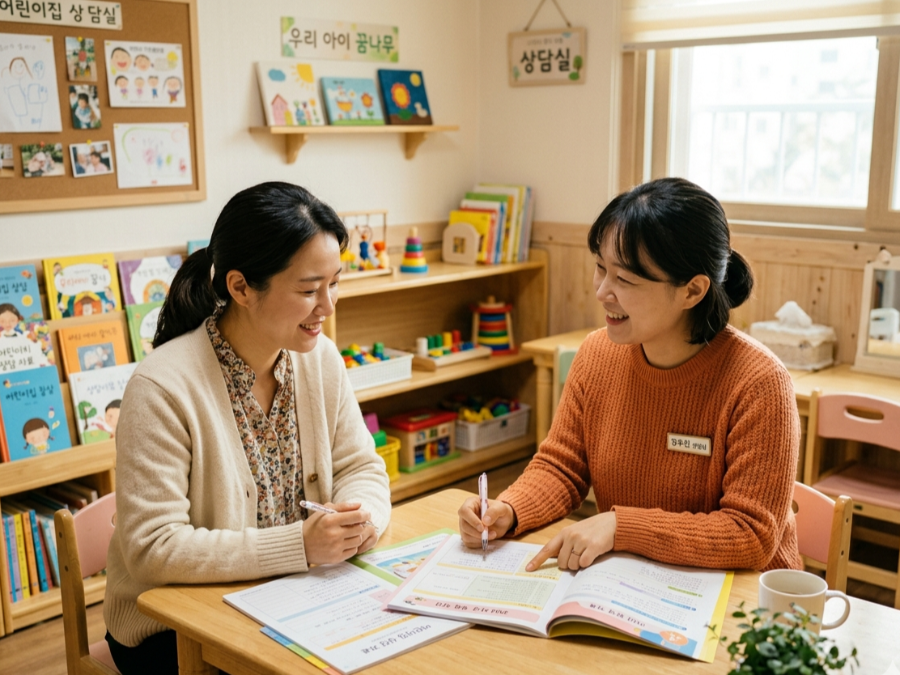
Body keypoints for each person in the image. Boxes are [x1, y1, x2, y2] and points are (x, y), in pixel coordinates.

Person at [104, 182, 392, 675]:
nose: (328, 306)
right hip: (171, 627)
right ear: (240, 288)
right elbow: (154, 549)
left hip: (289, 597)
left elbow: (361, 466)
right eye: (308, 290)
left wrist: (361, 518)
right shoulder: (161, 386)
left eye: (335, 283)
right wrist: (300, 546)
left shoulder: (319, 358)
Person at [459, 177, 801, 575]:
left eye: (625, 280)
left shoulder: (759, 383)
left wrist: (622, 526)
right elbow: (562, 467)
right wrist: (509, 509)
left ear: (692, 291)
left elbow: (750, 535)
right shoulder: (597, 354)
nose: (603, 291)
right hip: (635, 579)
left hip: (742, 602)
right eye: (600, 268)